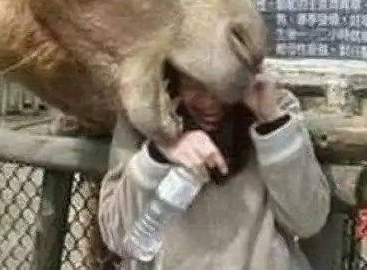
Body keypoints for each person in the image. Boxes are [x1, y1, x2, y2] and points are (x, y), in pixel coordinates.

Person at [97, 70, 331, 269]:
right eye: (195, 84)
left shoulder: (272, 106)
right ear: (173, 79)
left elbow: (308, 220)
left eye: (221, 85)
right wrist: (157, 154)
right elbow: (117, 237)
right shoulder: (142, 115)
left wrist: (271, 121)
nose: (210, 102)